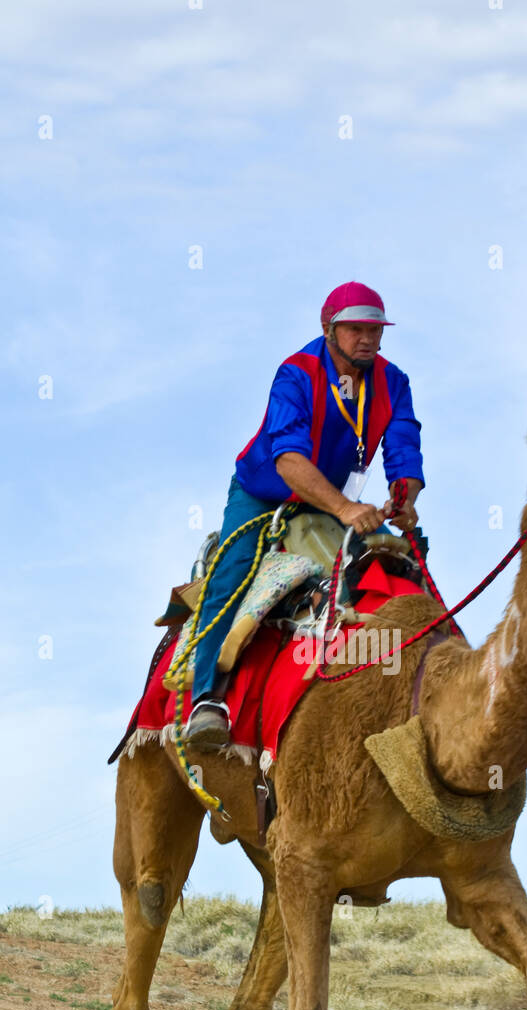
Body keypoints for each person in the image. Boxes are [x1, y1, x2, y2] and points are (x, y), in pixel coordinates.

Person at [182, 280, 425, 753]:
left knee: (406, 560)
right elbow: (287, 459)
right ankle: (206, 700)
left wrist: (404, 496)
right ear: (328, 328)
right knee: (231, 573)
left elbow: (404, 447)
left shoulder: (394, 382)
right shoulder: (295, 374)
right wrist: (346, 508)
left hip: (333, 501)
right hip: (265, 494)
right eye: (355, 329)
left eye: (375, 330)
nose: (368, 339)